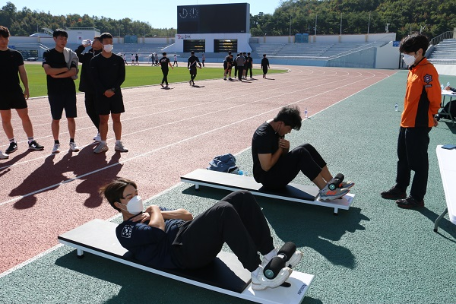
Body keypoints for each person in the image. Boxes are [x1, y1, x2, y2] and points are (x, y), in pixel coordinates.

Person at [100, 178, 303, 290]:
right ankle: (257, 274)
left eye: (136, 193)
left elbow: (187, 215)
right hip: (182, 254)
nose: (137, 198)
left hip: (190, 236)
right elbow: (158, 232)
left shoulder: (153, 212)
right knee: (222, 210)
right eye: (130, 196)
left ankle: (269, 255)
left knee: (241, 196)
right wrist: (153, 209)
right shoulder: (125, 230)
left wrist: (157, 211)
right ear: (119, 205)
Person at [381, 33, 441, 209]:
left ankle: (417, 198)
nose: (404, 57)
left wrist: (433, 115)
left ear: (419, 51)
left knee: (419, 162)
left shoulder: (428, 70)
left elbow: (435, 98)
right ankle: (400, 188)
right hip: (406, 121)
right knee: (403, 158)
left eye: (407, 54)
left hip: (419, 123)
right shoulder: (413, 69)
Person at [252, 105, 353, 201]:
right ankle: (325, 191)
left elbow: (282, 157)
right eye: (289, 128)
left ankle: (331, 182)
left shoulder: (278, 129)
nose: (289, 132)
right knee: (300, 153)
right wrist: (280, 149)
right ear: (281, 123)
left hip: (276, 172)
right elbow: (266, 166)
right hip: (268, 180)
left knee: (306, 146)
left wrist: (285, 149)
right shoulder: (263, 135)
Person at [0, 25, 44, 155]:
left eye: (5, 38)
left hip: (16, 91)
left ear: (9, 38)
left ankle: (31, 141)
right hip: (1, 93)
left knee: (25, 116)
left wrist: (27, 88)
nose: (3, 41)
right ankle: (12, 142)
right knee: (5, 118)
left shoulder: (16, 54)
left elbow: (22, 72)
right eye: (0, 38)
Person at [42, 29, 80, 153]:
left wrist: (57, 74)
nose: (63, 41)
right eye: (60, 38)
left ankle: (72, 141)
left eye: (65, 39)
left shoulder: (70, 54)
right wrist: (64, 69)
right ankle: (56, 143)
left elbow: (73, 71)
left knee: (71, 117)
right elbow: (48, 71)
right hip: (54, 91)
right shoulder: (48, 53)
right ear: (54, 39)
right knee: (56, 118)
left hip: (69, 90)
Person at [90, 32, 128, 154]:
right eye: (106, 42)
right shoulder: (95, 60)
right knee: (103, 119)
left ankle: (118, 143)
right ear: (101, 44)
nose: (109, 44)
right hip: (101, 95)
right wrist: (103, 91)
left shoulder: (118, 59)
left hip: (115, 94)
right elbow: (94, 78)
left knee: (117, 118)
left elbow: (121, 77)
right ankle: (103, 143)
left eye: (111, 42)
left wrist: (113, 90)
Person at [75, 36, 103, 142]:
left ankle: (101, 131)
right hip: (88, 88)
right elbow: (75, 55)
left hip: (99, 88)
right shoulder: (88, 55)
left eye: (95, 41)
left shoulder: (104, 55)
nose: (92, 42)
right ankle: (100, 130)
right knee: (90, 110)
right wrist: (82, 46)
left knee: (99, 110)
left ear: (101, 43)